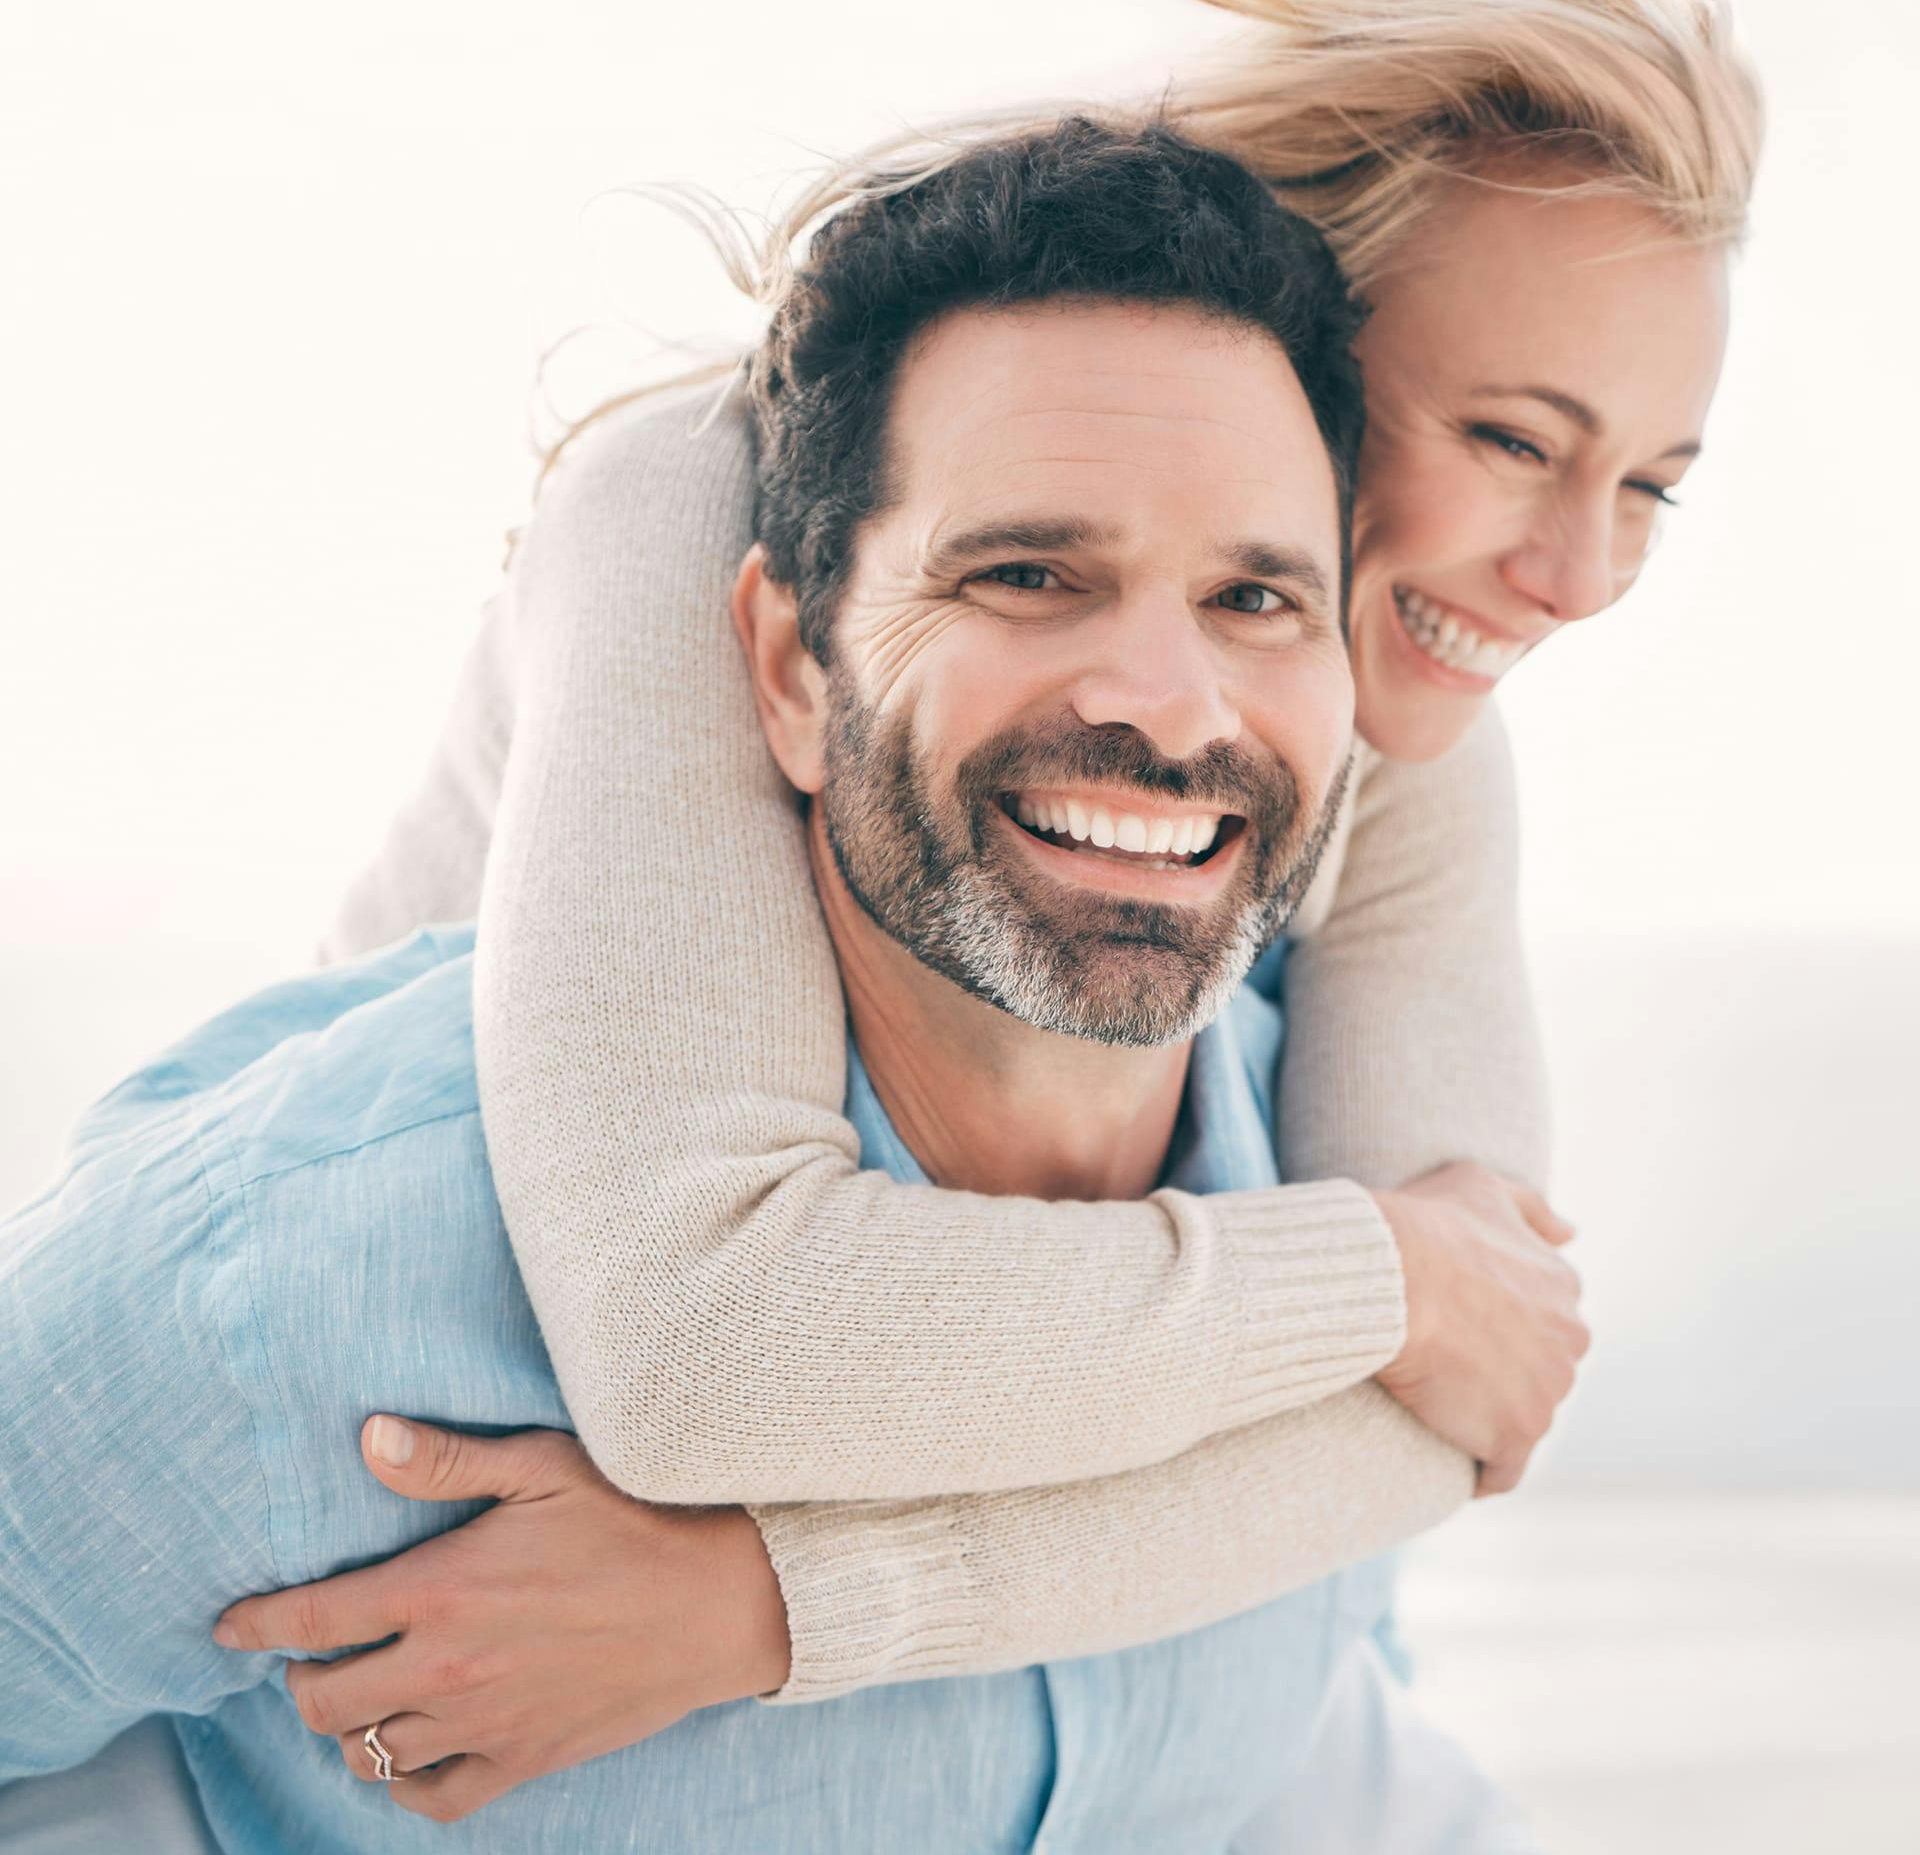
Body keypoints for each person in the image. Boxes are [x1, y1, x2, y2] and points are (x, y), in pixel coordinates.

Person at [267, 0, 1755, 1833]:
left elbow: (1463, 1401)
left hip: (1245, 1723)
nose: (1580, 578)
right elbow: (708, 1344)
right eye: (1508, 440)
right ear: (1289, 316)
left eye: (1648, 486)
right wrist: (1379, 1273)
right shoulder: (692, 525)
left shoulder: (1394, 692)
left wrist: (774, 1603)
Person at [3, 120, 1556, 1852]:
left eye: (1255, 597)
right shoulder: (307, 1274)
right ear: (786, 666)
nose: (1169, 699)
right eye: (1028, 575)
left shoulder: (1354, 1219)